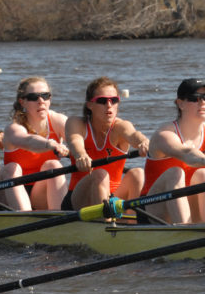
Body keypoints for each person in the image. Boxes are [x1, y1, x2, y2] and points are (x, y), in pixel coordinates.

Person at [140, 78, 205, 224]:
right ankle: (184, 231)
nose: (203, 103)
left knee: (204, 175)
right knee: (176, 173)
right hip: (154, 211)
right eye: (195, 98)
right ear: (180, 103)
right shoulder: (164, 134)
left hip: (189, 206)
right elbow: (186, 153)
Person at [63, 77, 150, 210]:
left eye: (114, 100)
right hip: (79, 198)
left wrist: (144, 143)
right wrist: (81, 155)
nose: (109, 105)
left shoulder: (121, 126)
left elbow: (134, 135)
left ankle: (133, 223)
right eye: (102, 101)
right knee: (100, 174)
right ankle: (105, 224)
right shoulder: (76, 123)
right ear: (89, 105)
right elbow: (75, 141)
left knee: (138, 173)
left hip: (113, 196)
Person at [0, 76, 69, 211]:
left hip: (40, 193)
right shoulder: (13, 129)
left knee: (53, 165)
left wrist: (80, 153)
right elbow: (28, 141)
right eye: (33, 97)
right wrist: (50, 144)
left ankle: (59, 218)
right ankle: (24, 218)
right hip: (10, 191)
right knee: (12, 168)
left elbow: (79, 138)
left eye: (45, 96)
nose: (41, 101)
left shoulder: (58, 121)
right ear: (22, 102)